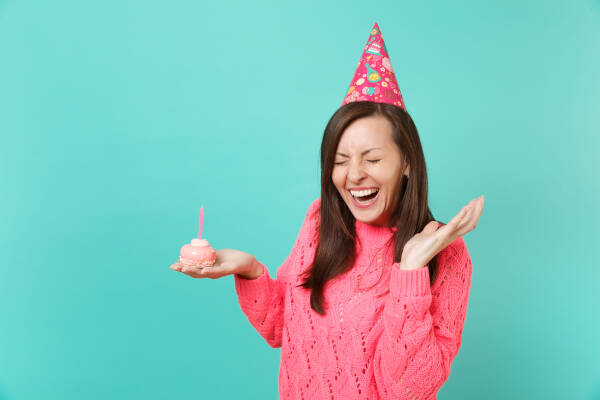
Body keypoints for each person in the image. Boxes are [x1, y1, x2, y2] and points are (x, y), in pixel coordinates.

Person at [170, 22, 484, 399]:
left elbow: (407, 391)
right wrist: (250, 269)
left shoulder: (445, 254)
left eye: (372, 159)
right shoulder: (320, 220)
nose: (354, 176)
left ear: (407, 162)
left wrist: (412, 270)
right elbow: (280, 329)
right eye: (339, 160)